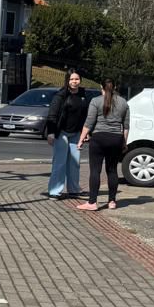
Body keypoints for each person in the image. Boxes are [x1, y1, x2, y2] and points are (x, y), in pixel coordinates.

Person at [76, 79, 129, 211]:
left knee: (95, 170)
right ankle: (112, 201)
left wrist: (81, 139)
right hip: (116, 138)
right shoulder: (123, 102)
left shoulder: (95, 101)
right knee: (112, 170)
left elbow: (89, 122)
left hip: (99, 138)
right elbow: (126, 126)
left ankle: (92, 202)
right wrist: (124, 142)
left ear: (101, 87)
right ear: (115, 87)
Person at [45, 71, 90, 199]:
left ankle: (74, 189)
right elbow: (52, 114)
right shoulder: (61, 95)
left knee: (75, 163)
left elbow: (85, 115)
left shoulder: (82, 95)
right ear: (67, 81)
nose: (74, 81)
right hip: (61, 132)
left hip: (76, 133)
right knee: (60, 163)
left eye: (77, 79)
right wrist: (51, 132)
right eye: (71, 79)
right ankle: (54, 191)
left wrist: (86, 132)